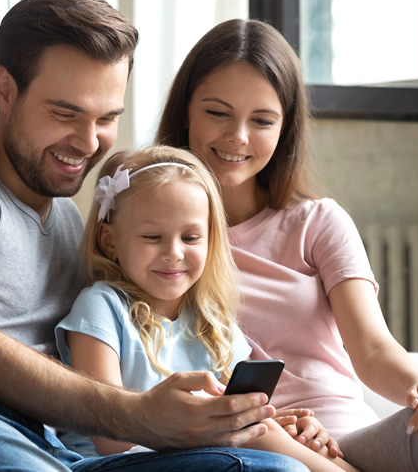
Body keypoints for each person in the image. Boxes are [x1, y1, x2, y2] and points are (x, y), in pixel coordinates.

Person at [0, 0, 310, 472]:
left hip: (49, 446)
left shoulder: (71, 220)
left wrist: (243, 420)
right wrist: (139, 415)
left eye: (107, 119)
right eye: (65, 113)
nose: (87, 141)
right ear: (5, 90)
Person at [155, 17, 418, 472]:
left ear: (285, 128)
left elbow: (371, 348)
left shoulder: (317, 222)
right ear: (186, 110)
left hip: (351, 440)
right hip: (257, 446)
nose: (238, 137)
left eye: (262, 120)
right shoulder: (155, 242)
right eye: (217, 113)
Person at [55, 145, 359, 472]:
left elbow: (246, 416)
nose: (173, 252)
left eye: (190, 237)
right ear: (110, 241)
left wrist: (281, 425)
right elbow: (110, 434)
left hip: (199, 458)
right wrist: (217, 423)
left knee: (273, 437)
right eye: (153, 236)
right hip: (114, 462)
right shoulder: (101, 306)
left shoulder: (211, 322)